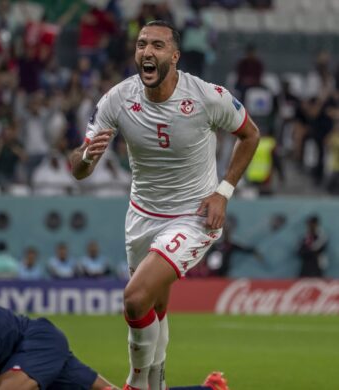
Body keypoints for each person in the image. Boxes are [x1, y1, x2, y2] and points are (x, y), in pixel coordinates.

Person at [70, 20, 259, 390]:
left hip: (194, 216)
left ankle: (136, 383)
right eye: (141, 45)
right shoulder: (117, 99)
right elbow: (78, 169)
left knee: (135, 298)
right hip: (141, 216)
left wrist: (223, 191)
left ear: (174, 55)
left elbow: (250, 134)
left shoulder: (206, 96)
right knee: (153, 307)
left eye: (157, 45)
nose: (147, 52)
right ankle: (157, 382)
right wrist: (86, 158)